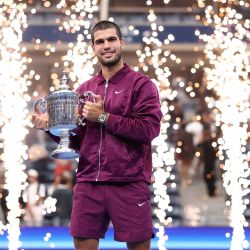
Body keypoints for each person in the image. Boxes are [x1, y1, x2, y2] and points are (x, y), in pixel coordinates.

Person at [32, 20, 162, 250]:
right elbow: (77, 140)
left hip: (128, 181)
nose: (106, 45)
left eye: (111, 39)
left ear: (121, 43)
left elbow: (149, 130)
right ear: (93, 48)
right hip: (88, 180)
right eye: (100, 42)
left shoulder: (142, 85)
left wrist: (104, 117)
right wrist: (50, 127)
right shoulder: (83, 89)